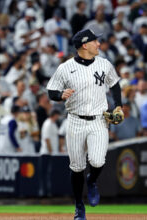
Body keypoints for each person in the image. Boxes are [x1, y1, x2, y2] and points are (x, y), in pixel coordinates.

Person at [46, 29, 123, 220]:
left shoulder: (104, 64)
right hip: (75, 120)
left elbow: (114, 84)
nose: (99, 44)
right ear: (84, 45)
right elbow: (51, 91)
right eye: (95, 41)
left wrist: (119, 106)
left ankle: (92, 180)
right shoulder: (66, 68)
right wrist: (59, 95)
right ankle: (79, 206)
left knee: (98, 161)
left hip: (99, 119)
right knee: (77, 166)